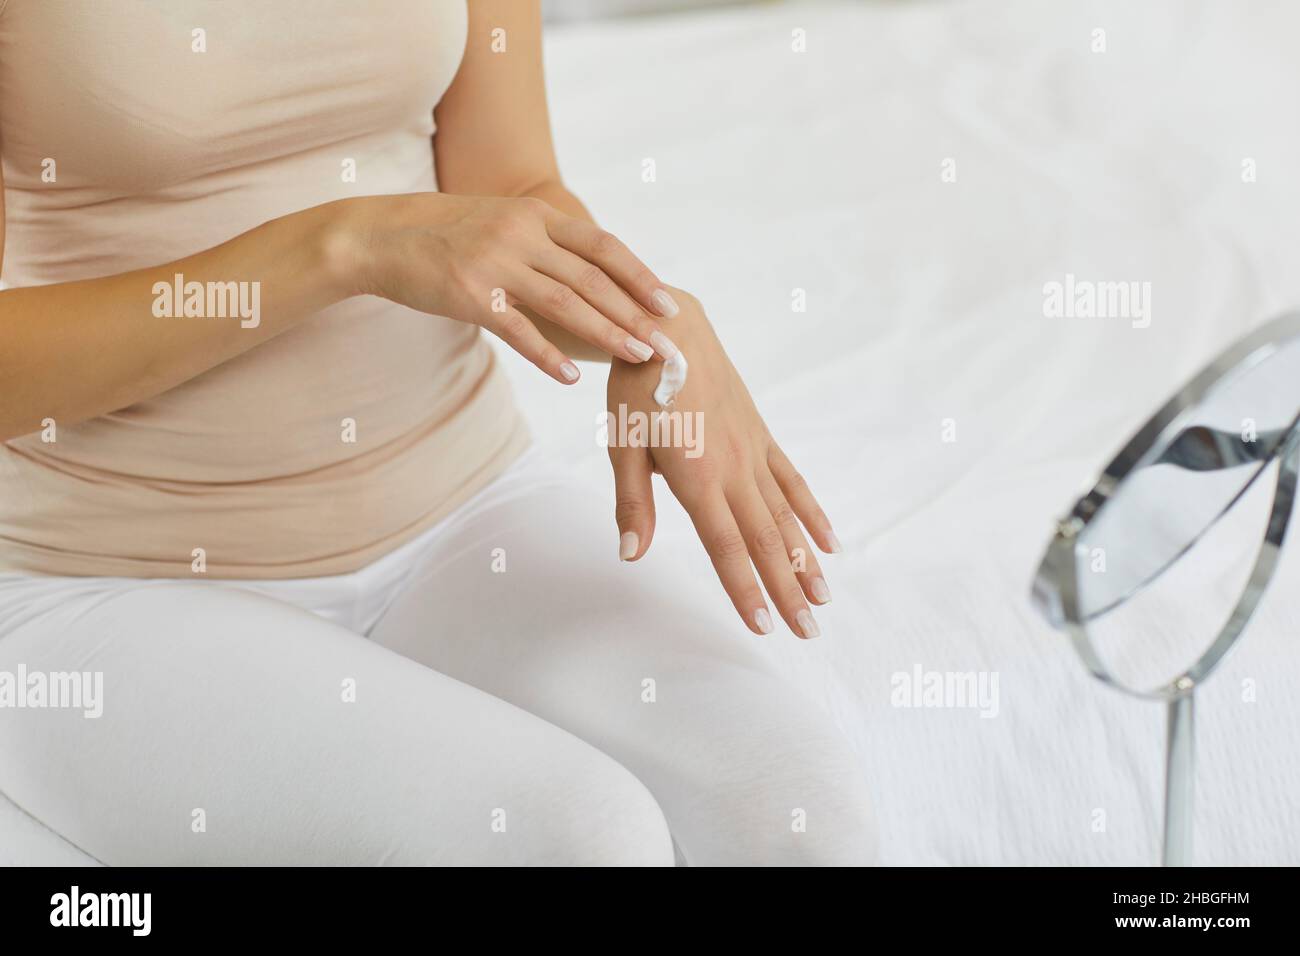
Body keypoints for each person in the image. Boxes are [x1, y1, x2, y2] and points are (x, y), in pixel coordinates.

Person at [0, 0, 876, 865]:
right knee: (576, 839)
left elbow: (510, 188)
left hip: (462, 512)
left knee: (800, 810)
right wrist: (344, 245)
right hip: (106, 577)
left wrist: (656, 328)